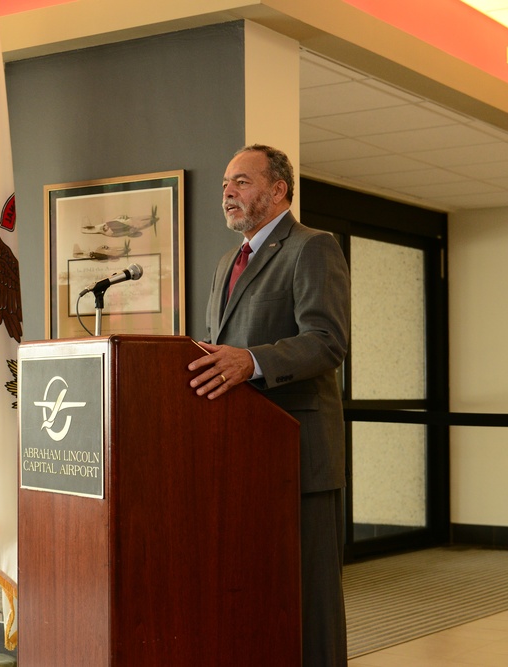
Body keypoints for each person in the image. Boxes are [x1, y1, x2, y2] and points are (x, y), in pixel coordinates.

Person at [187, 144, 350, 666]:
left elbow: (327, 340)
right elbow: (223, 349)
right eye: (225, 186)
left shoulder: (311, 247)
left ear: (278, 190)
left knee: (310, 599)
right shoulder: (226, 263)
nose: (228, 194)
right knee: (259, 593)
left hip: (300, 457)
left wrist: (250, 362)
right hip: (243, 456)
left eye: (241, 182)